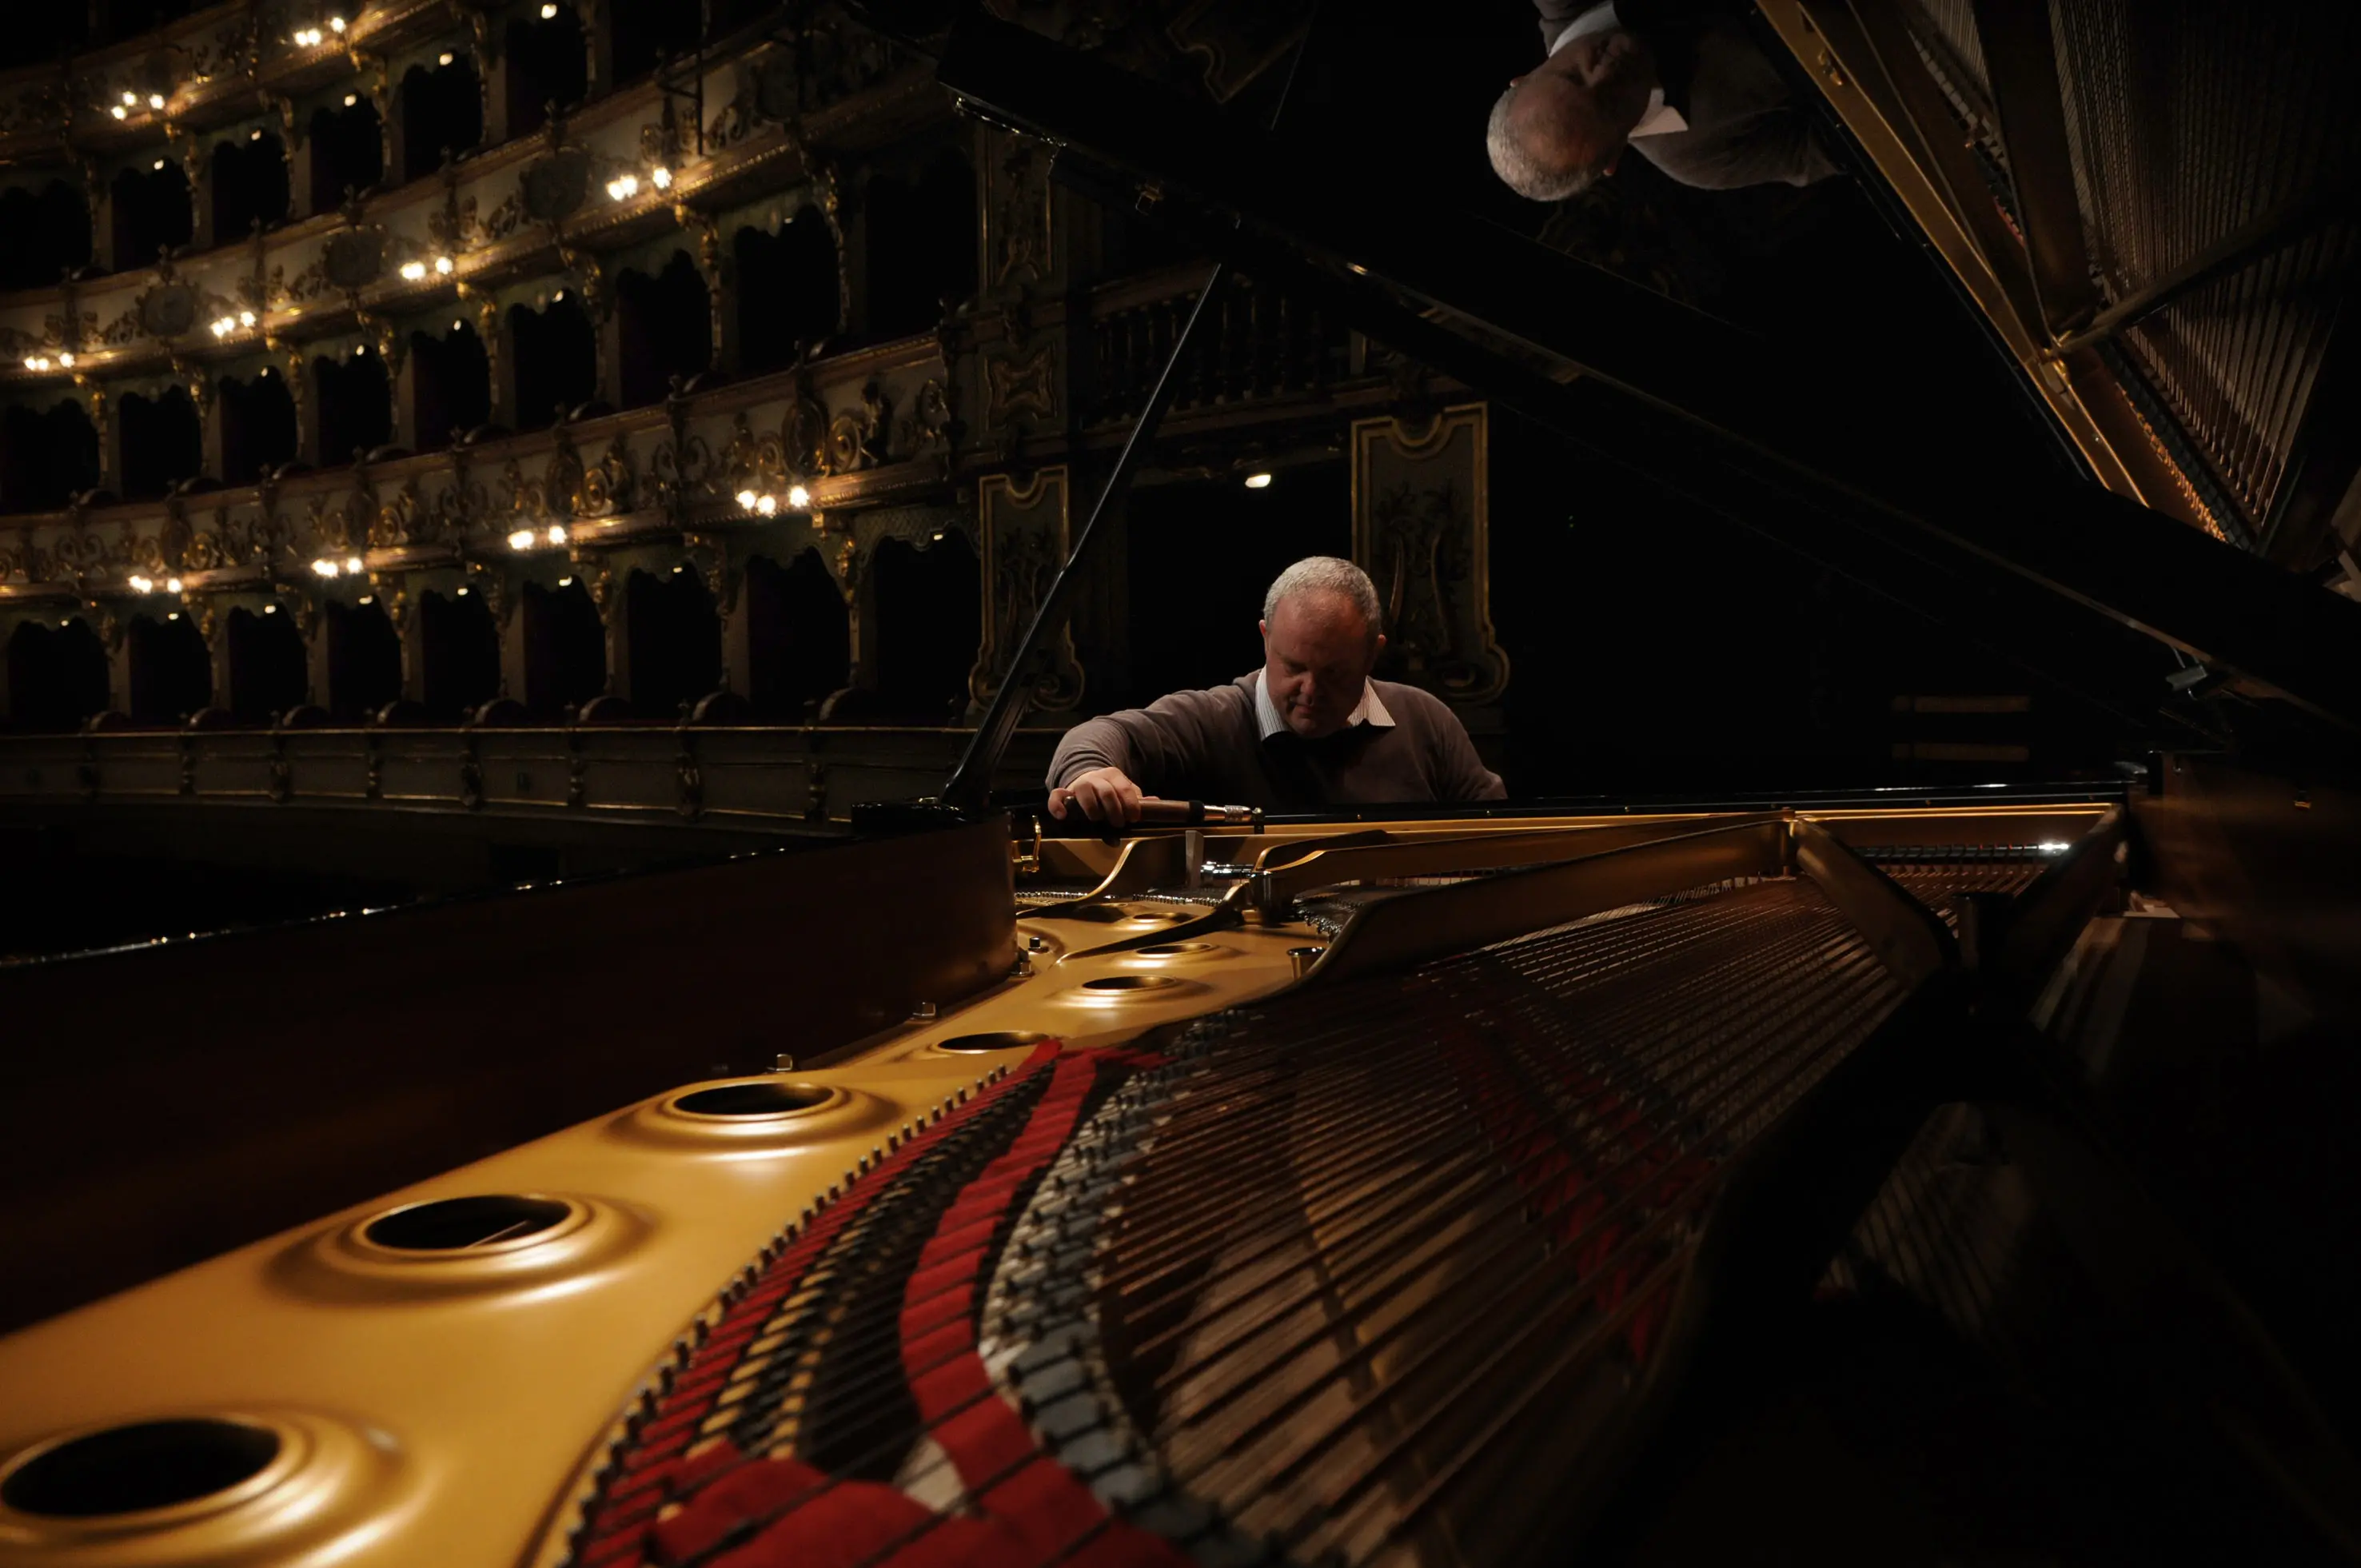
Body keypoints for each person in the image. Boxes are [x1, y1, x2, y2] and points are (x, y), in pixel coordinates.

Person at [1047, 557, 1505, 823]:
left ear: (1372, 655)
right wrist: (1090, 772)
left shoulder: (1425, 718)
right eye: (1295, 667)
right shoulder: (1217, 717)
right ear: (1266, 638)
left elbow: (1501, 830)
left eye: (1334, 673)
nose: (1310, 691)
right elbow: (1101, 735)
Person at [1487, 0, 1838, 198]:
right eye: (1608, 104)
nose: (1606, 72)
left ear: (1526, 76)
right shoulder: (1698, 159)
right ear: (1613, 157)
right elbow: (1851, 145)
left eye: (1572, 75)